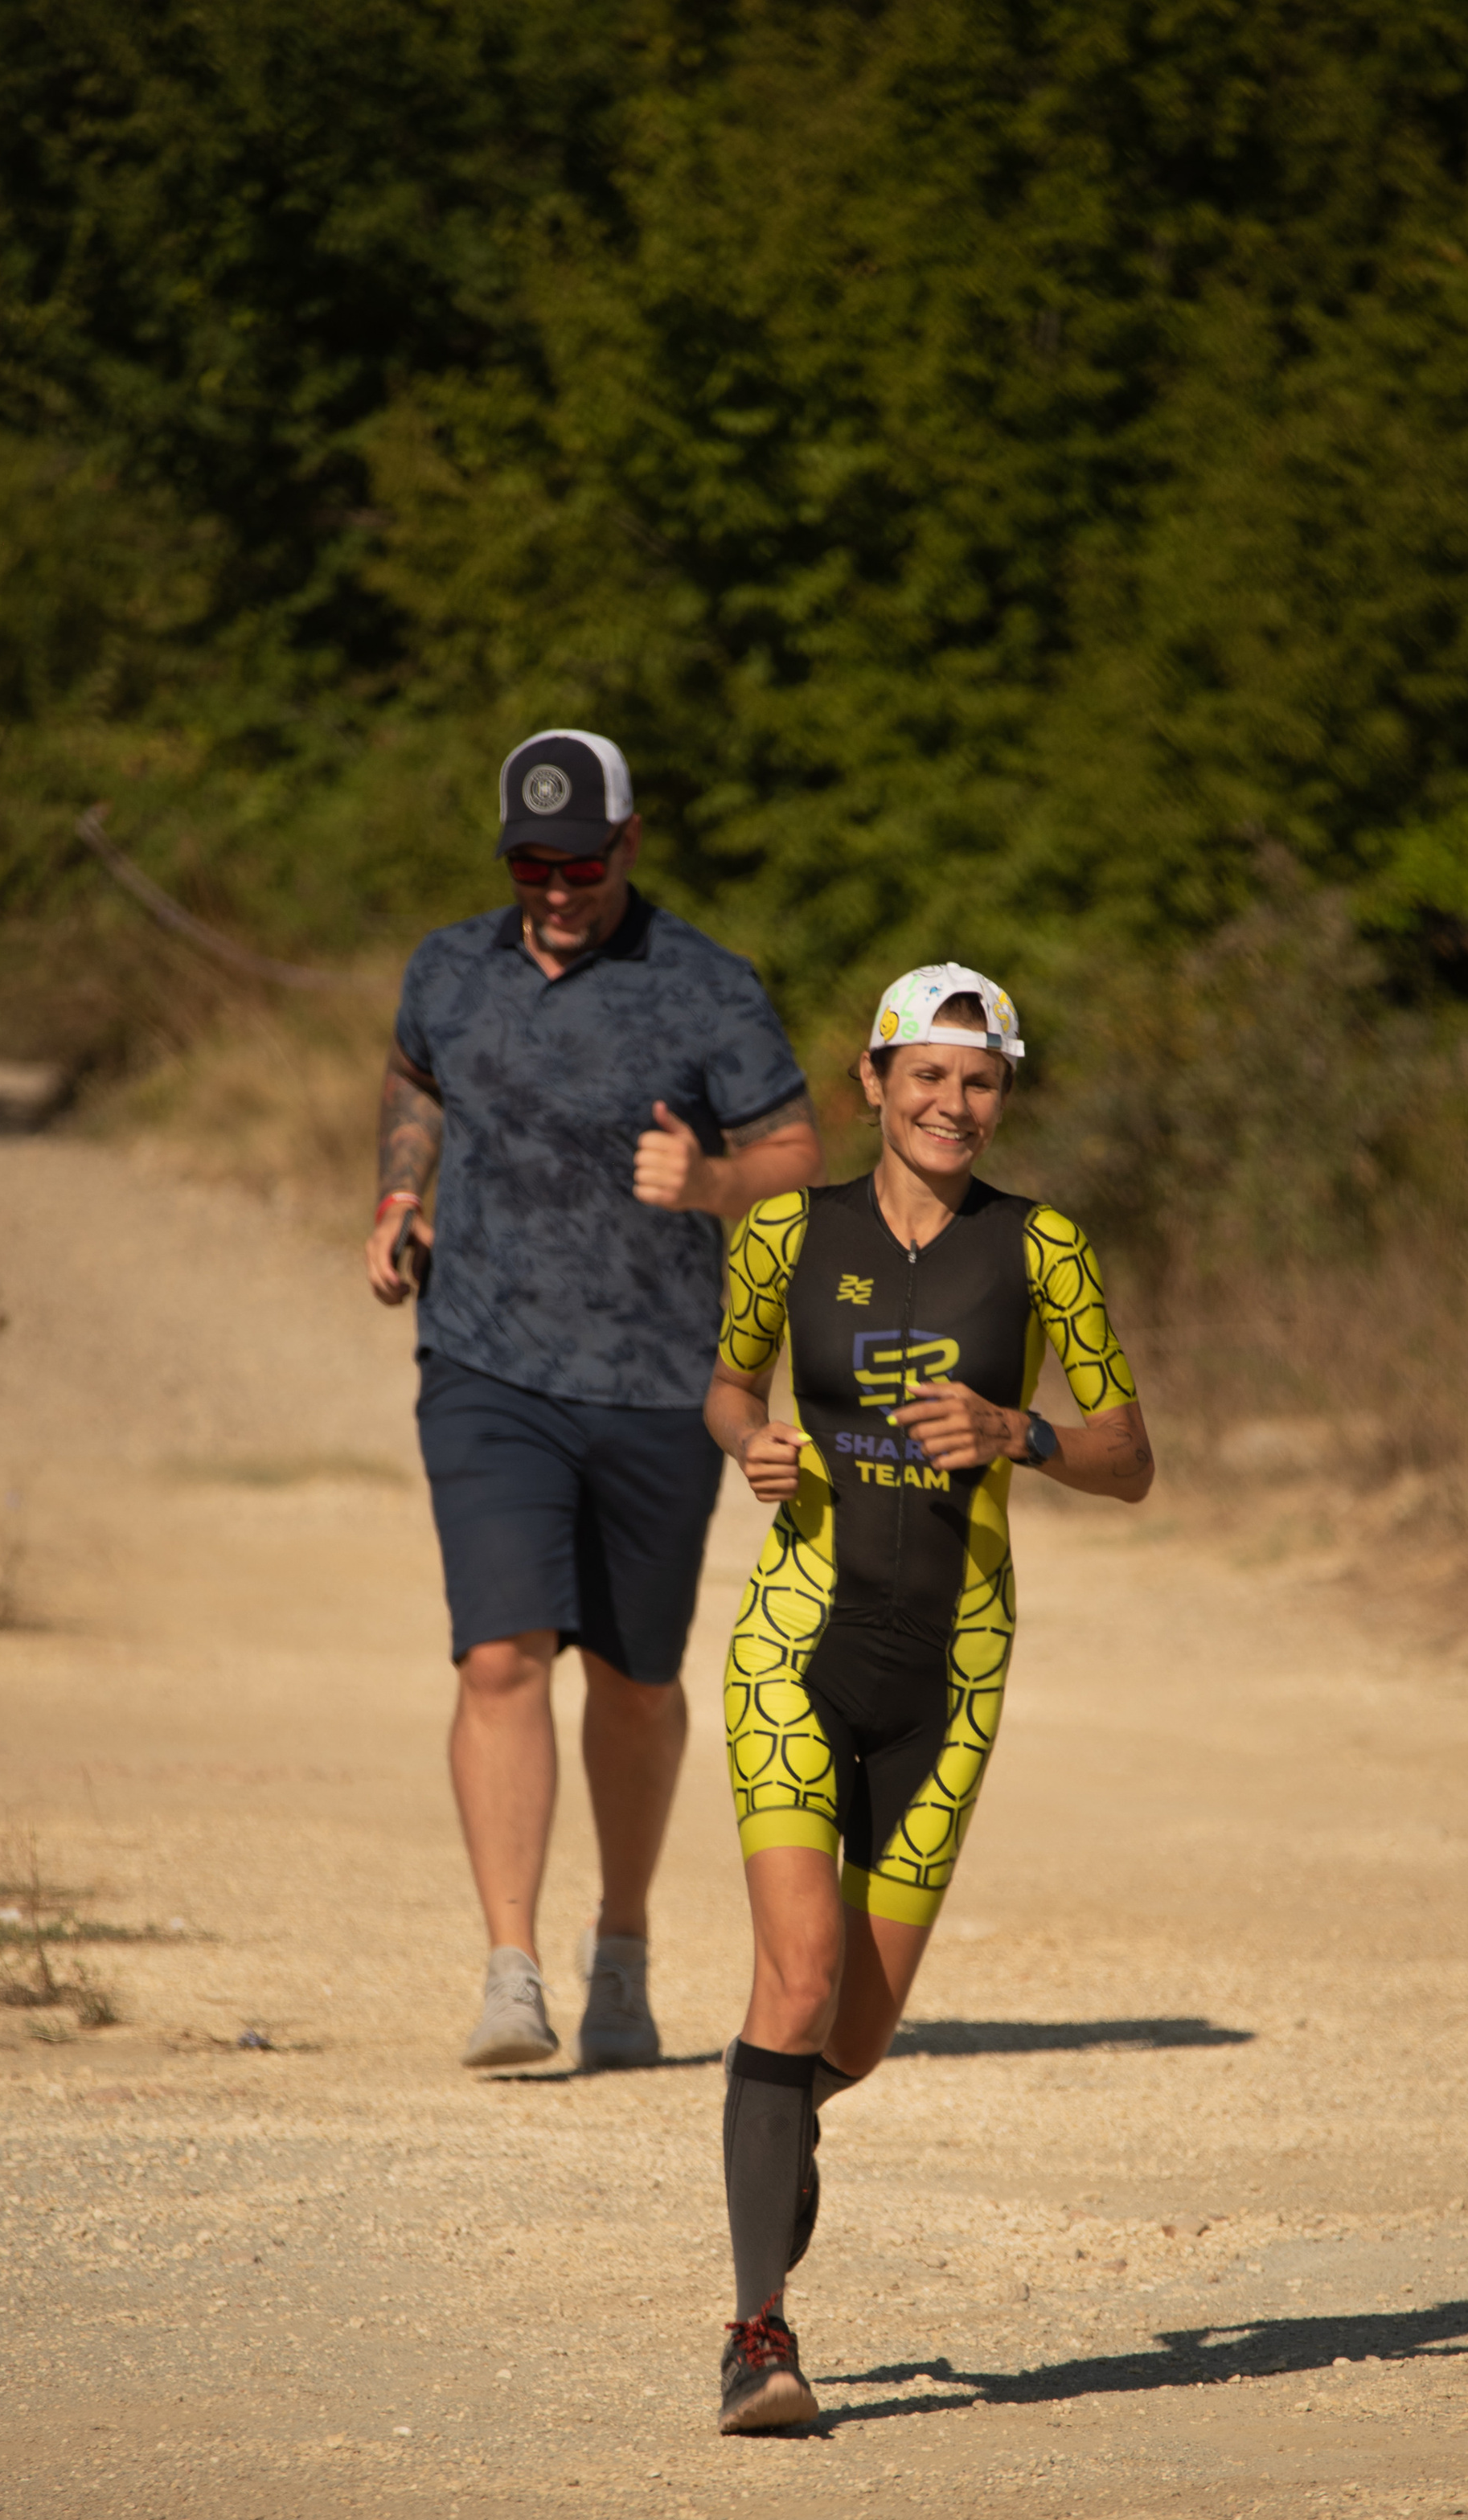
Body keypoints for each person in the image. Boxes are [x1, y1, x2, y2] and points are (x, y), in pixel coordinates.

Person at [703, 962, 1154, 2431]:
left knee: (857, 2034)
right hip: (794, 1643)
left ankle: (773, 2117)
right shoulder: (786, 1232)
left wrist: (1018, 1427)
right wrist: (752, 1441)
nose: (954, 1103)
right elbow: (727, 1383)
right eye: (929, 1077)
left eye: (982, 1081)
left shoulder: (1046, 1252)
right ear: (875, 1082)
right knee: (794, 1963)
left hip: (953, 1669)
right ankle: (758, 2335)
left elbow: (1132, 1456)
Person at [367, 728, 822, 2071]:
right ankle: (511, 1972)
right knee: (500, 1654)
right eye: (530, 861)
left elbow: (795, 1152)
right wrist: (400, 1193)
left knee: (635, 1678)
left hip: (657, 1380)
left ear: (630, 842)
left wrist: (716, 1185)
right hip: (485, 1362)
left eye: (580, 859)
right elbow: (414, 1073)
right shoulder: (450, 964)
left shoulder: (704, 986)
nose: (555, 886)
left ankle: (619, 1945)